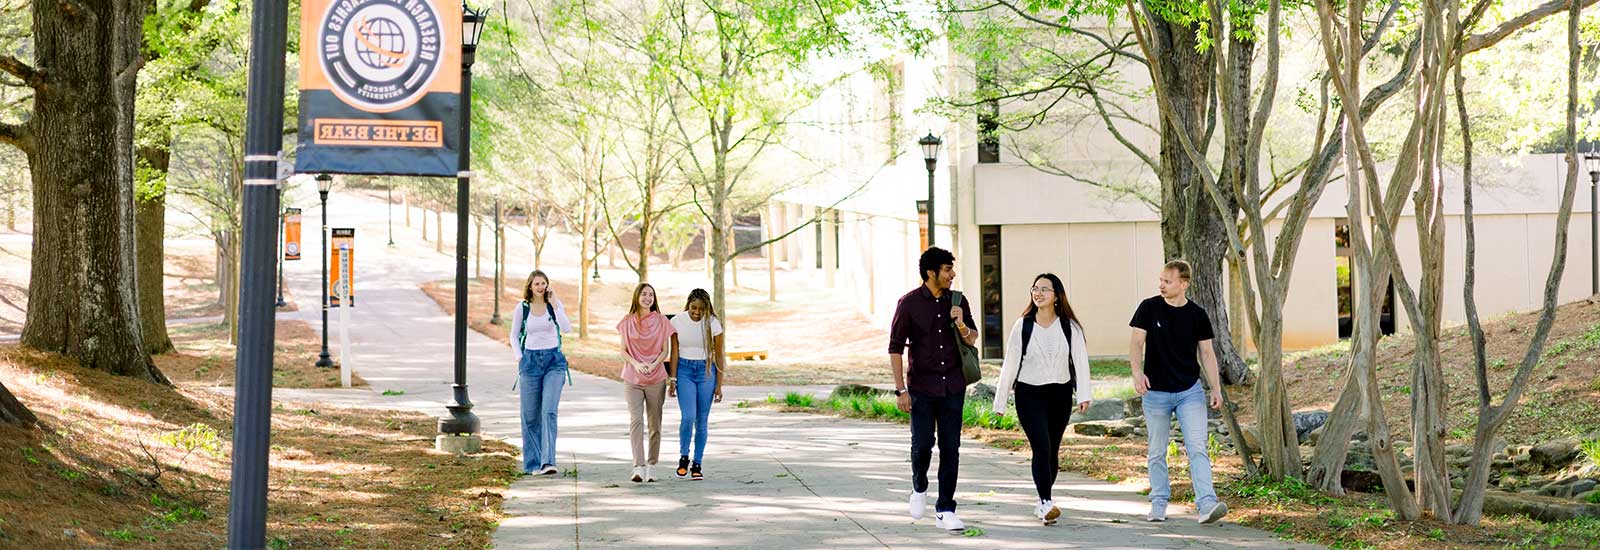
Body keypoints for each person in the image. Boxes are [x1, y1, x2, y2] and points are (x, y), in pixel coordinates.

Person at [1130, 260, 1229, 524]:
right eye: (1161, 280)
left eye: (1168, 281)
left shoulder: (1197, 314)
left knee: (1197, 448)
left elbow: (1207, 353)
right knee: (1157, 450)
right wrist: (1137, 374)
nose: (1161, 285)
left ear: (1183, 284)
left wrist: (1216, 388)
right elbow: (1136, 343)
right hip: (1155, 393)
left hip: (1189, 391)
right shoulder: (1149, 308)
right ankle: (1159, 503)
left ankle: (1207, 504)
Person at [888, 246, 978, 532]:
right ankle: (919, 487)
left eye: (952, 269)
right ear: (931, 273)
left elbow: (973, 339)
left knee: (951, 448)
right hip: (921, 389)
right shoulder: (909, 304)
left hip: (953, 386)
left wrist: (961, 324)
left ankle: (946, 508)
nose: (952, 274)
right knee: (922, 446)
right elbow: (895, 349)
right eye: (947, 270)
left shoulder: (958, 300)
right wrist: (900, 390)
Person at [992, 273, 1092, 525]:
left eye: (1044, 289)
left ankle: (1042, 501)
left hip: (1059, 394)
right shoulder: (1023, 325)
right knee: (1042, 447)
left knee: (1052, 452)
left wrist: (1084, 394)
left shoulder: (1070, 327)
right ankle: (1046, 502)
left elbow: (1080, 361)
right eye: (1035, 288)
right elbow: (1010, 364)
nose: (1038, 293)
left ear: (1057, 296)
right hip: (1029, 394)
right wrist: (1000, 401)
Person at [510, 270, 572, 476]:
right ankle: (534, 464)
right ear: (530, 286)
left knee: (548, 411)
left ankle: (548, 462)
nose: (540, 287)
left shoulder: (554, 305)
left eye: (543, 283)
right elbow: (513, 335)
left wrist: (555, 304)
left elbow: (567, 328)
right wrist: (520, 358)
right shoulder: (523, 307)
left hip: (554, 362)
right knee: (529, 416)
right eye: (536, 283)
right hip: (530, 362)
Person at [618, 283, 675, 483]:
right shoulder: (627, 322)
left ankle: (652, 465)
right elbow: (623, 351)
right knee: (636, 420)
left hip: (656, 378)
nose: (648, 298)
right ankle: (638, 466)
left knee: (654, 424)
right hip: (632, 378)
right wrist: (636, 363)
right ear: (637, 297)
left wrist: (653, 365)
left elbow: (665, 351)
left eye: (651, 294)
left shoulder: (662, 321)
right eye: (644, 294)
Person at [667, 289, 724, 480]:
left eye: (701, 309)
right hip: (684, 370)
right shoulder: (677, 321)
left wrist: (719, 385)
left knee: (702, 420)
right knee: (688, 416)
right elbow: (674, 351)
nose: (697, 313)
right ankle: (684, 456)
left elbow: (719, 355)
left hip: (706, 371)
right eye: (693, 308)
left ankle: (697, 463)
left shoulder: (713, 324)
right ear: (688, 305)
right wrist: (673, 379)